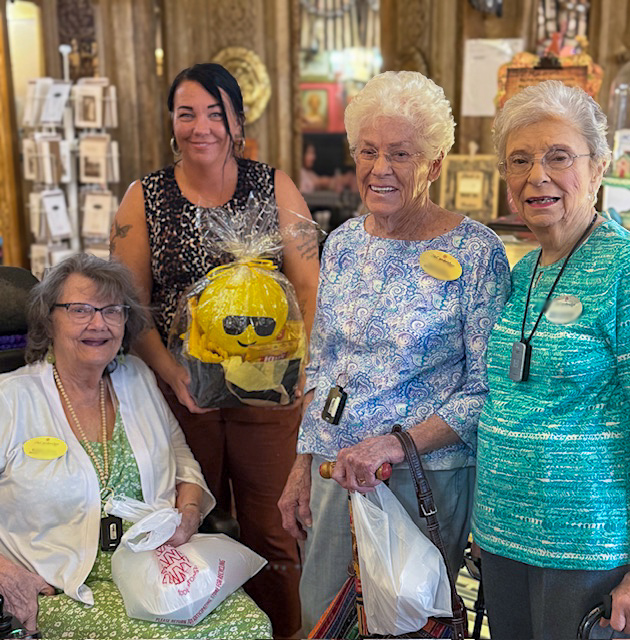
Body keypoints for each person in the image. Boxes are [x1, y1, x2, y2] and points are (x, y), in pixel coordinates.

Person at [278, 70, 511, 632]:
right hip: (338, 472)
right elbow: (324, 364)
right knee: (325, 620)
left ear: (433, 165)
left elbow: (487, 389)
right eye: (369, 151)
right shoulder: (343, 244)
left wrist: (394, 444)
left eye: (400, 153)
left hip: (424, 479)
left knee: (406, 624)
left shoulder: (476, 252)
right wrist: (302, 464)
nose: (380, 169)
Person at [110, 62, 318, 637]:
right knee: (184, 524)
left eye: (214, 113)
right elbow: (132, 306)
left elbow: (308, 284)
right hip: (181, 396)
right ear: (171, 123)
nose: (201, 127)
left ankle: (283, 629)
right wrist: (173, 374)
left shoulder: (272, 185)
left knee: (277, 529)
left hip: (269, 394)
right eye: (186, 113)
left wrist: (305, 367)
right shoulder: (142, 198)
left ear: (237, 121)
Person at [0, 254, 271, 639]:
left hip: (157, 569)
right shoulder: (10, 399)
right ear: (49, 318)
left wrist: (190, 512)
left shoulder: (137, 377)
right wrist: (7, 575)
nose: (99, 323)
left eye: (112, 310)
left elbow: (182, 463)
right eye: (80, 310)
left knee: (252, 626)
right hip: (63, 587)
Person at [471, 80, 630, 640]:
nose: (537, 175)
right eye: (520, 160)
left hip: (587, 544)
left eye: (558, 156)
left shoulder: (623, 270)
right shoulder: (521, 273)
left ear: (599, 168)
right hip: (500, 534)